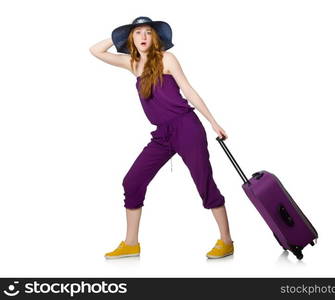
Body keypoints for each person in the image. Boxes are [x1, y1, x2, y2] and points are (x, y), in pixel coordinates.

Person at [89, 16, 234, 259]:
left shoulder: (167, 59)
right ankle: (131, 243)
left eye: (148, 32)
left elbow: (188, 90)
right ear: (131, 39)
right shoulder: (132, 63)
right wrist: (118, 37)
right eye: (137, 33)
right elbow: (95, 50)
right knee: (132, 182)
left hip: (186, 127)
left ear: (155, 37)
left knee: (204, 182)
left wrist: (213, 122)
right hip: (162, 135)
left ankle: (227, 241)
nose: (143, 37)